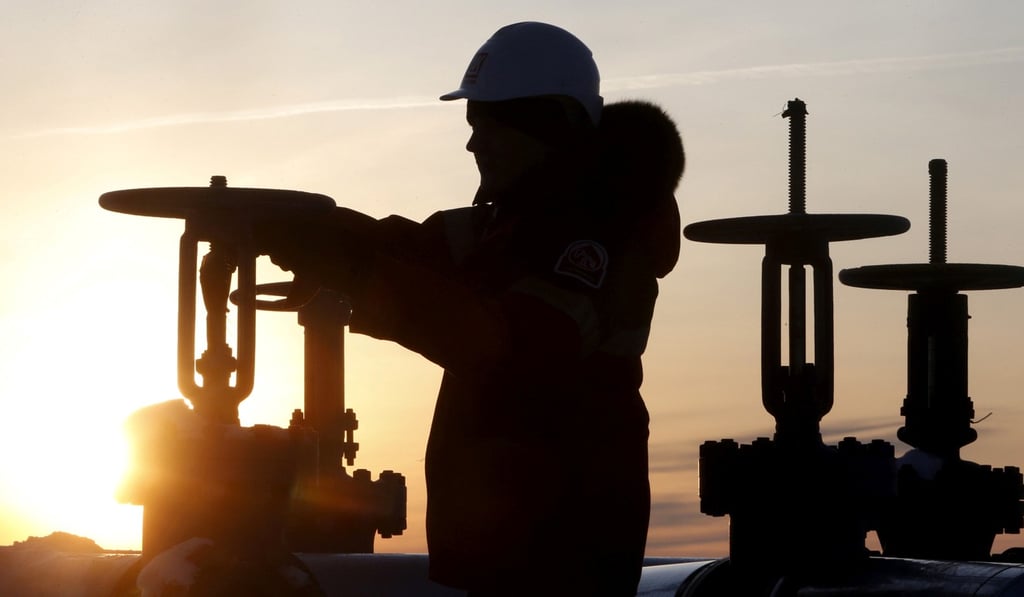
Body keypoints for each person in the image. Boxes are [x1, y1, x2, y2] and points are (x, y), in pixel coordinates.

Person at [260, 21, 684, 596]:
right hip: (514, 554)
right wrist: (314, 231)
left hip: (562, 554)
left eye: (486, 127)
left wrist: (353, 272)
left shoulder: (597, 242)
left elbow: (502, 349)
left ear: (542, 126)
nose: (472, 145)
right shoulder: (515, 224)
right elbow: (416, 250)